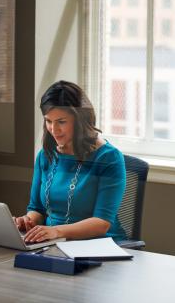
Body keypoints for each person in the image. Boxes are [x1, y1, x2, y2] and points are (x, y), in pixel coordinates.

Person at [13, 80, 127, 243]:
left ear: (80, 120)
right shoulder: (45, 156)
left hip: (99, 246)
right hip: (53, 243)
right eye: (48, 121)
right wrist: (27, 221)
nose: (53, 129)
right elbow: (37, 209)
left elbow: (101, 223)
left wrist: (55, 231)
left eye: (61, 121)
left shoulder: (109, 158)